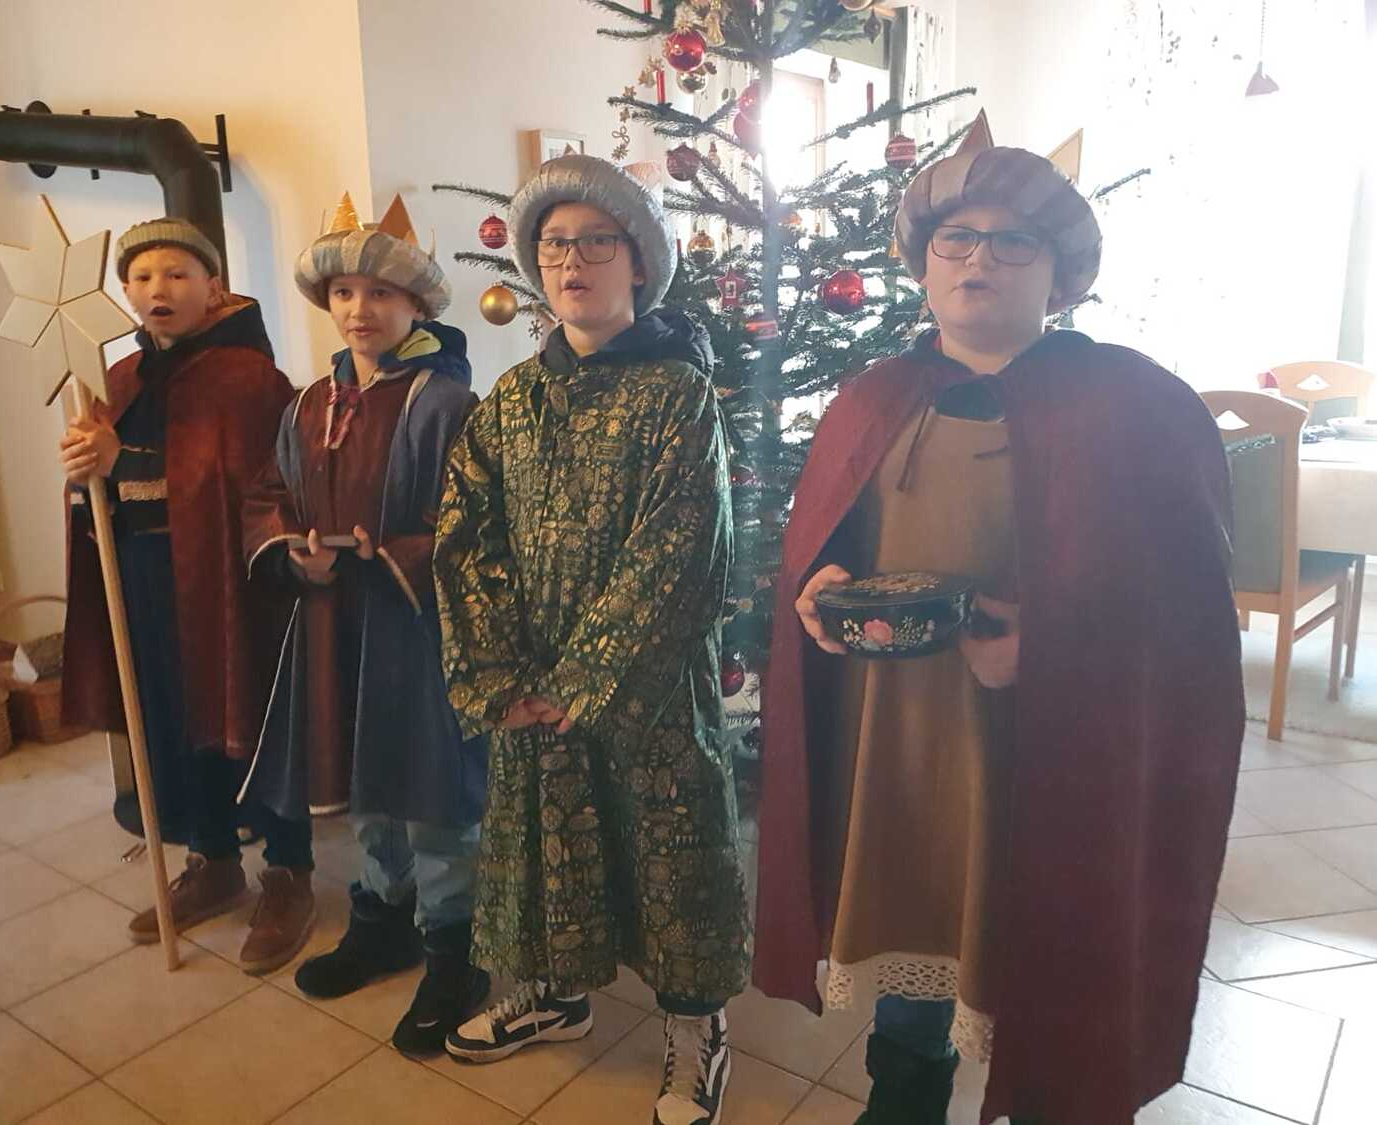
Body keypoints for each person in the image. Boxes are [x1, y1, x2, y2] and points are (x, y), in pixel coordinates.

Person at [753, 119, 1245, 1125]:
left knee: (1044, 916)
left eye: (1013, 241)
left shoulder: (1135, 407)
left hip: (1056, 736)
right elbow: (828, 541)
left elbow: (1186, 607)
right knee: (910, 891)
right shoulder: (873, 398)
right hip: (901, 724)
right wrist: (819, 584)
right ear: (924, 265)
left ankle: (1055, 1089)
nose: (979, 258)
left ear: (1062, 277)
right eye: (957, 238)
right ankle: (906, 1088)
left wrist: (1053, 652)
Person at [433, 154, 750, 1125]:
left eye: (596, 243)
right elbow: (466, 533)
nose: (572, 262)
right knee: (541, 842)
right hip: (531, 683)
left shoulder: (677, 394)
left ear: (638, 262)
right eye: (556, 245)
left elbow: (680, 547)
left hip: (649, 690)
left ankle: (696, 1029)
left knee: (672, 854)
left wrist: (586, 676)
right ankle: (552, 992)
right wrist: (502, 673)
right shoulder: (512, 400)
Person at [240, 194, 489, 1051]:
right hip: (334, 628)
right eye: (344, 293)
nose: (360, 309)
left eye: (381, 292)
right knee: (365, 784)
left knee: (430, 791)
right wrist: (289, 549)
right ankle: (383, 918)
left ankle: (456, 951)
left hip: (416, 632)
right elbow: (269, 493)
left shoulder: (443, 403)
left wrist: (392, 555)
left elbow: (476, 521)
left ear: (418, 304)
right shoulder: (308, 403)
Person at [60, 218, 311, 967]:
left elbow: (239, 482)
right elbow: (104, 484)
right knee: (174, 716)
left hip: (229, 582)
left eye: (176, 274)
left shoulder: (247, 378)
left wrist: (125, 457)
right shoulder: (121, 377)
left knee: (250, 712)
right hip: (145, 574)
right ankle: (213, 857)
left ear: (213, 287)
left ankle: (289, 872)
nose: (157, 289)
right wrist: (85, 472)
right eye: (141, 277)